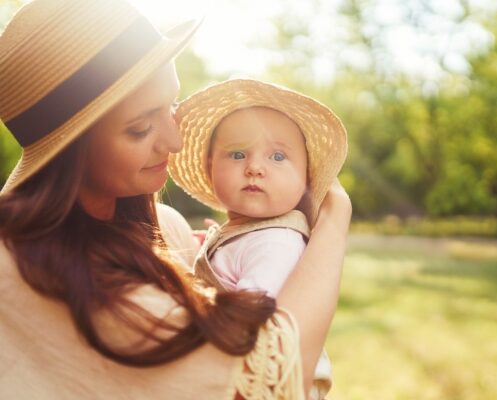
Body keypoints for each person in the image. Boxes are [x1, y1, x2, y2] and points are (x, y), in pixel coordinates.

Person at [0, 0, 352, 399]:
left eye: (170, 107)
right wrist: (334, 222)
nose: (176, 141)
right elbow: (267, 381)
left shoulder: (165, 230)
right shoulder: (46, 271)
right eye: (140, 128)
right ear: (69, 150)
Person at [168, 79, 348, 400]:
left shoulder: (276, 244)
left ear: (306, 178)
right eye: (237, 154)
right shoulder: (248, 236)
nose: (254, 167)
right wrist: (210, 256)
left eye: (278, 157)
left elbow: (249, 322)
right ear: (211, 168)